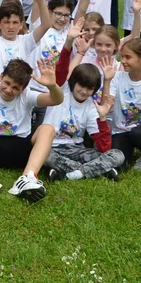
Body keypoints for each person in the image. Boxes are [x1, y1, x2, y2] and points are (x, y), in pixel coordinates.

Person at [0, 58, 65, 202]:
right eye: (7, 83)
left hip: (20, 149)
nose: (9, 90)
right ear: (0, 77)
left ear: (23, 89)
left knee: (47, 128)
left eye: (16, 88)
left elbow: (57, 100)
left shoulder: (27, 96)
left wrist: (52, 86)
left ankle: (28, 178)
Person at [43, 33, 125, 181]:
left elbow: (103, 148)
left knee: (117, 155)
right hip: (52, 147)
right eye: (81, 86)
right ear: (73, 82)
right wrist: (70, 41)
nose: (84, 91)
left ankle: (72, 174)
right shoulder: (62, 91)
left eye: (89, 89)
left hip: (77, 150)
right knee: (43, 154)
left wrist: (103, 118)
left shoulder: (91, 106)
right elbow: (61, 68)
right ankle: (99, 170)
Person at [101, 40, 141, 171]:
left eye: (128, 57)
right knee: (117, 165)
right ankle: (128, 152)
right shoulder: (118, 77)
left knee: (137, 132)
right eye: (122, 57)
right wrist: (107, 80)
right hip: (121, 131)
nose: (123, 61)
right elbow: (105, 107)